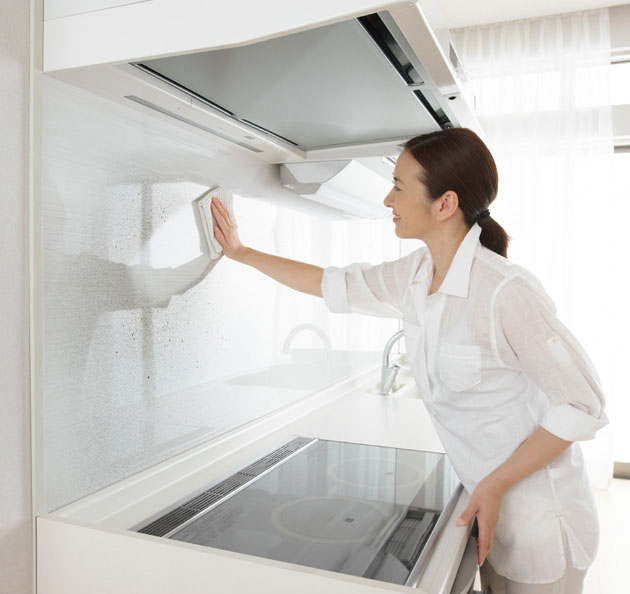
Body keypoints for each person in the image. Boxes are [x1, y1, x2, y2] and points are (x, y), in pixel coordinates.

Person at [210, 128, 607, 594]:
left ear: (445, 204)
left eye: (398, 186)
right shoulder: (417, 275)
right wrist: (240, 252)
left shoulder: (505, 291)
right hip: (488, 507)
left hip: (542, 522)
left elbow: (583, 403)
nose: (387, 199)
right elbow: (332, 283)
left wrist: (496, 484)